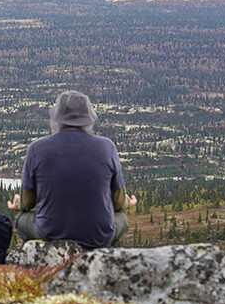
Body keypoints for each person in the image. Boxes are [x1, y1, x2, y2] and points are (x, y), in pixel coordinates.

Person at [7, 90, 136, 248]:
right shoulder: (107, 147)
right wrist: (128, 202)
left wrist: (17, 204)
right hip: (97, 236)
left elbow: (27, 203)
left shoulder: (37, 148)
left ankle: (44, 259)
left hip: (51, 233)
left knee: (22, 221)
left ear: (57, 118)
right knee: (121, 218)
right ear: (88, 118)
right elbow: (117, 203)